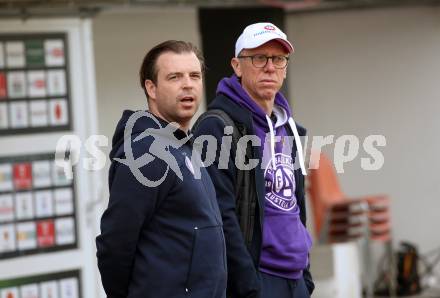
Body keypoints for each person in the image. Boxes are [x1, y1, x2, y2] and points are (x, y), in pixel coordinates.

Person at [96, 40, 227, 298]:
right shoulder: (146, 153)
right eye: (175, 77)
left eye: (194, 76)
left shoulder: (184, 146)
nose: (188, 84)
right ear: (151, 88)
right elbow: (115, 244)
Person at [193, 23, 314, 298]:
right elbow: (221, 215)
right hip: (259, 282)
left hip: (295, 281)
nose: (270, 67)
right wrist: (249, 285)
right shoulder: (217, 127)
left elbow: (295, 206)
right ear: (237, 66)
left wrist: (305, 274)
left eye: (279, 59)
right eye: (259, 58)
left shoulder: (289, 128)